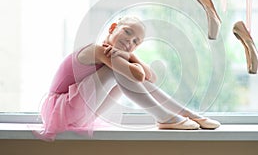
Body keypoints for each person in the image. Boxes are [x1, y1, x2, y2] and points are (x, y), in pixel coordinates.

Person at [34, 16, 220, 141]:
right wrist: (127, 59)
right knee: (117, 72)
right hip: (62, 110)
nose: (130, 42)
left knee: (120, 75)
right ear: (114, 28)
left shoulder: (116, 54)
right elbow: (138, 75)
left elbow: (151, 78)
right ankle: (165, 117)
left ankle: (187, 113)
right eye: (128, 33)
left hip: (80, 112)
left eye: (136, 43)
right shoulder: (99, 51)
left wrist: (131, 56)